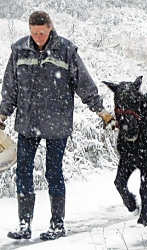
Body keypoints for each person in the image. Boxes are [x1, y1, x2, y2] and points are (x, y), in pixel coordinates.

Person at [0, 11, 114, 241]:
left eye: (42, 33)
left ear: (50, 27)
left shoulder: (66, 50)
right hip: (27, 123)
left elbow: (85, 85)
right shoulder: (19, 50)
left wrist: (101, 111)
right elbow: (10, 88)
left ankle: (57, 224)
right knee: (23, 171)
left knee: (54, 172)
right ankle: (24, 224)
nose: (38, 37)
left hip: (57, 123)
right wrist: (2, 115)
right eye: (34, 33)